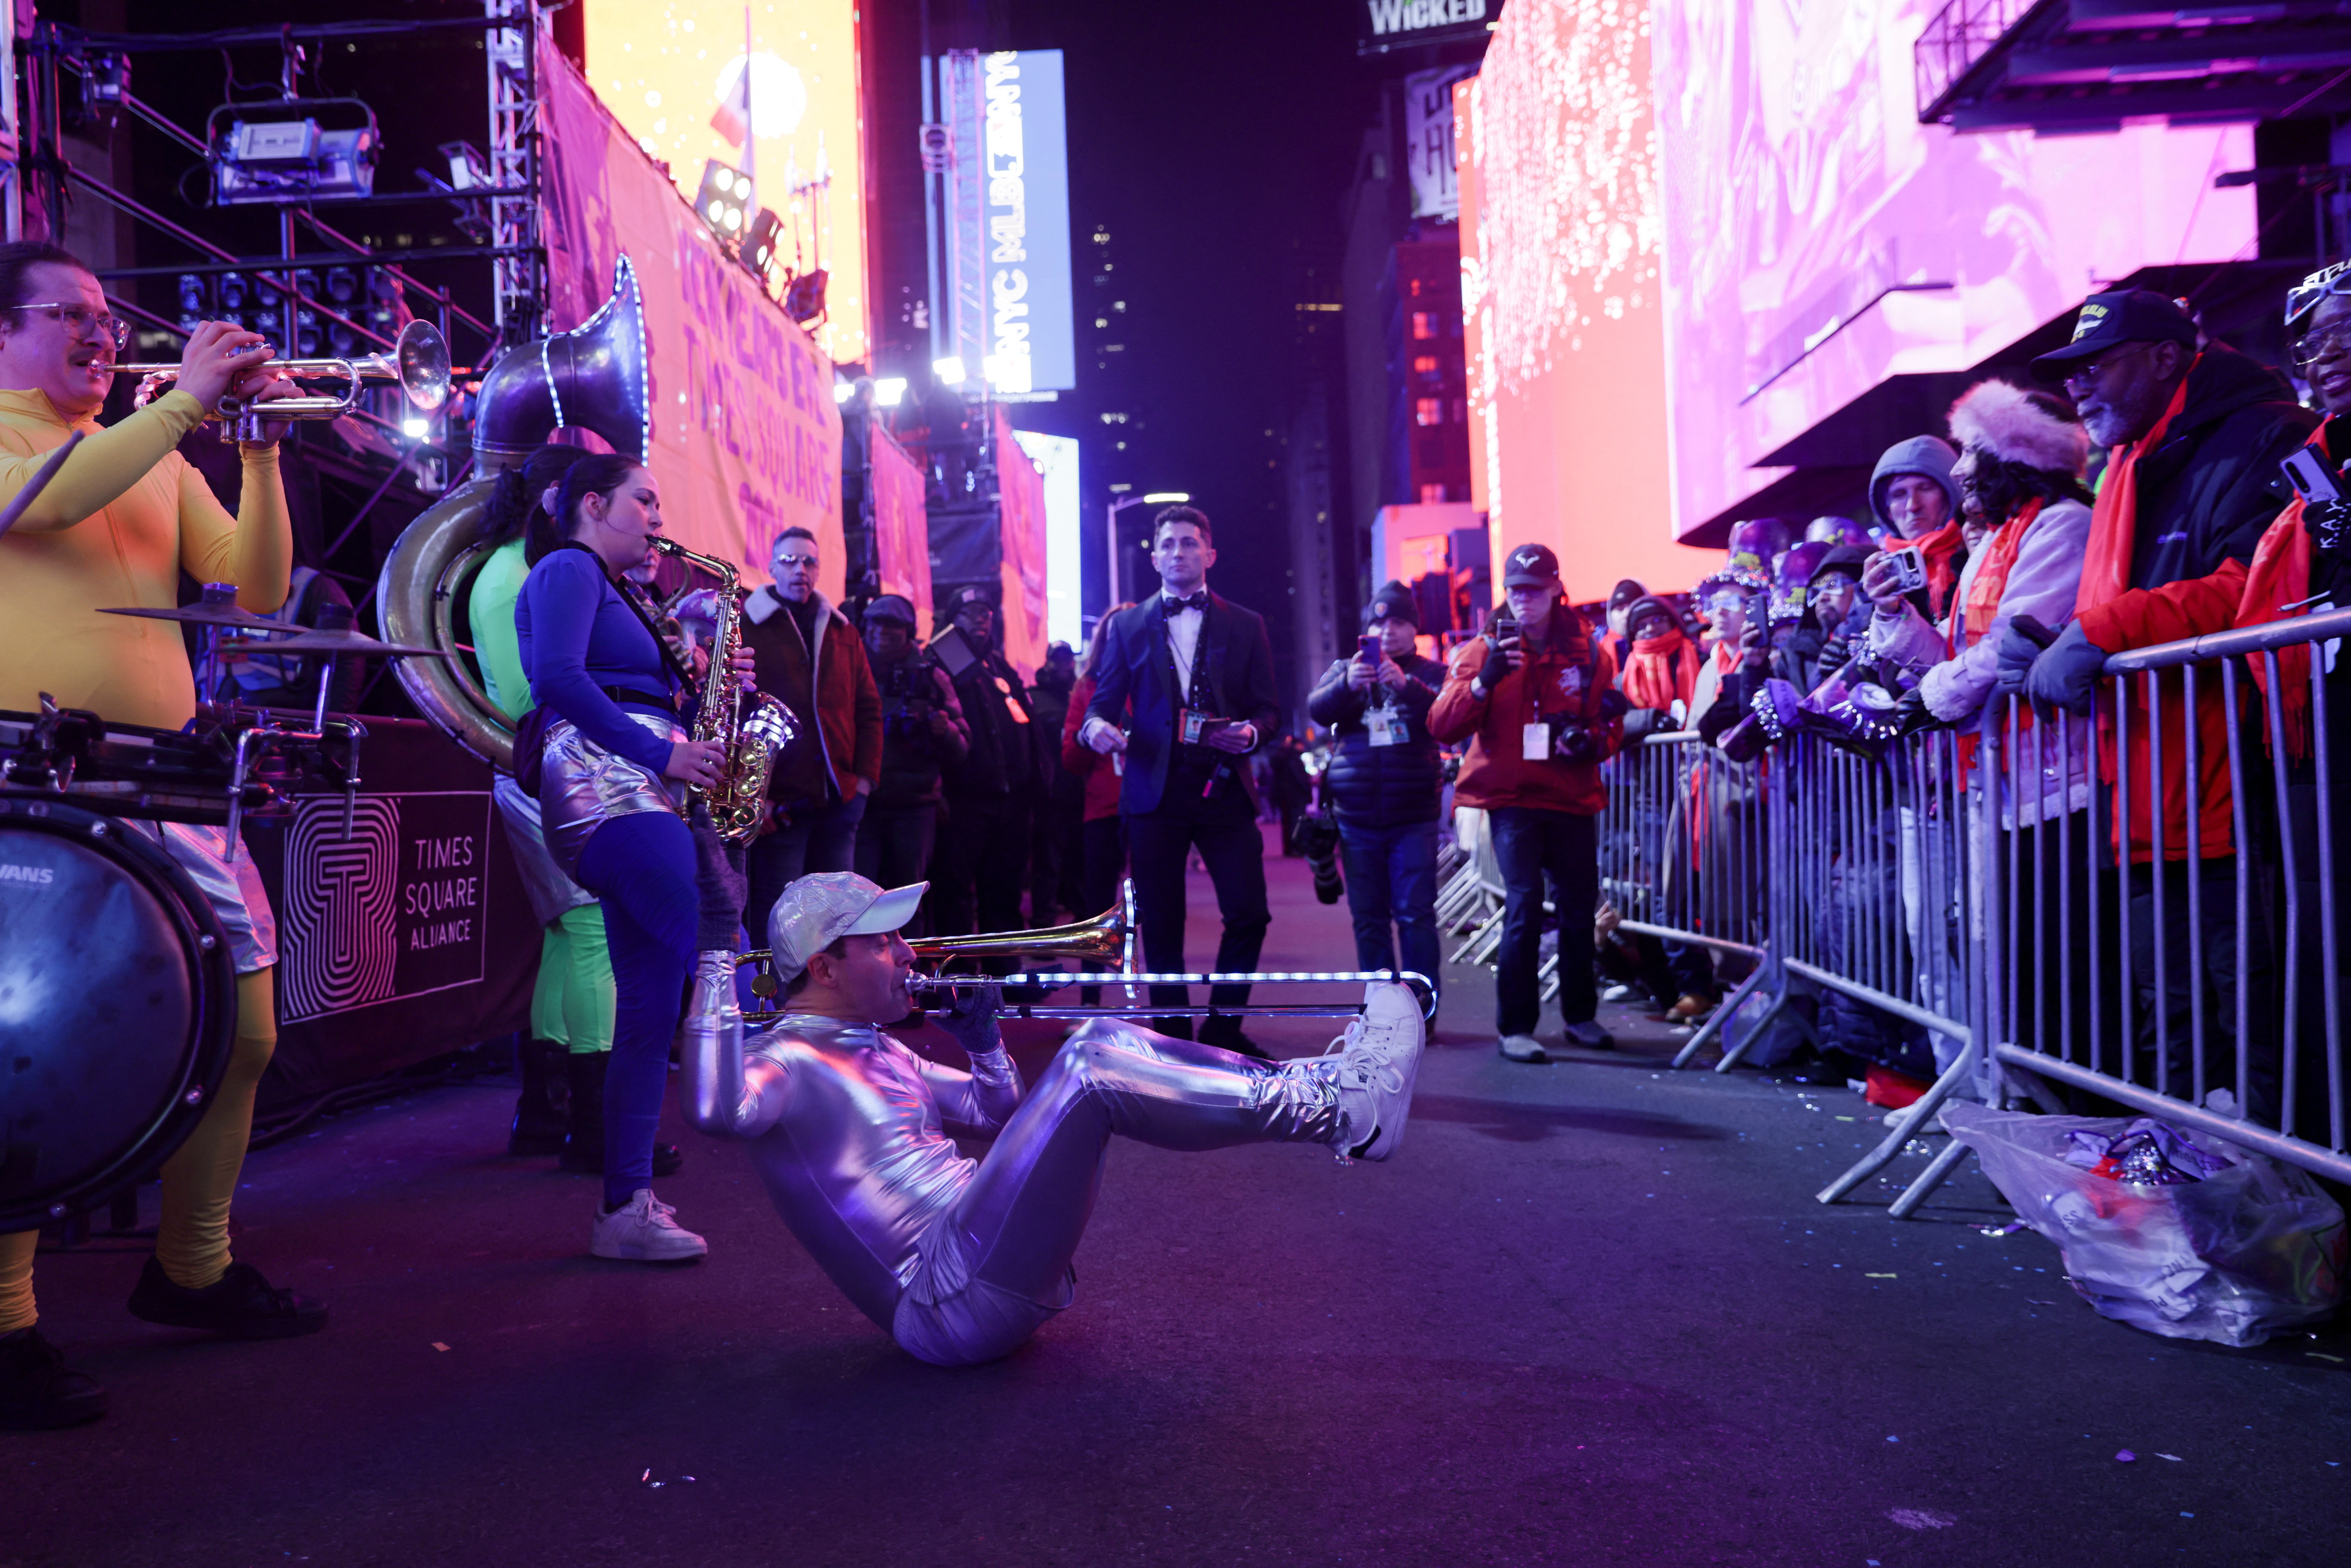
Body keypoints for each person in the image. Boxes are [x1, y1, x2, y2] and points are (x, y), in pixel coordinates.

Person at [0, 240, 318, 1429]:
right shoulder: (20, 439)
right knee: (22, 1045)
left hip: (169, 782)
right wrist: (185, 398)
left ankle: (193, 1267)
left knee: (242, 1025)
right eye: (67, 315)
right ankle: (5, 1318)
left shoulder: (156, 452)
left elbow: (255, 588)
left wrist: (258, 447)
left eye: (103, 313)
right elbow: (54, 499)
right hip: (33, 776)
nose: (97, 331)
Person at [679, 869, 1427, 1367]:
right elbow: (716, 1108)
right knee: (1092, 1059)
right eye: (884, 943)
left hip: (978, 1259)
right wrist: (717, 951)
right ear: (825, 968)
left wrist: (983, 1046)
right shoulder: (783, 1059)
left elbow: (992, 1111)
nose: (910, 954)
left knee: (1095, 1051)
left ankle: (1331, 1094)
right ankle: (1337, 1105)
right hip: (942, 1301)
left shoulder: (878, 1048)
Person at [2013, 289, 2316, 1116]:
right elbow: (2135, 608)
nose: (2077, 386)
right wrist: (2051, 640)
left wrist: (2100, 629)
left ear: (2161, 356)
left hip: (2234, 796)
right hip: (2148, 798)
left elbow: (2251, 588)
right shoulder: (2127, 461)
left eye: (2095, 364)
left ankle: (2277, 1225)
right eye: (2069, 373)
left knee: (2258, 1022)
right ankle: (2194, 1211)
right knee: (2172, 1024)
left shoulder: (2263, 432)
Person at [518, 453, 756, 1263]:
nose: (659, 515)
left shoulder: (633, 595)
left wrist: (708, 687)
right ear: (594, 503)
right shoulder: (567, 565)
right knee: (721, 952)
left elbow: (637, 693)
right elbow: (555, 677)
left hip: (642, 776)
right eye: (645, 499)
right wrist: (653, 751)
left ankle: (624, 1207)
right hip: (604, 779)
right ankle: (847, 1117)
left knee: (652, 1009)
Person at [464, 442, 643, 1169]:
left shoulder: (518, 569)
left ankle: (547, 1112)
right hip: (551, 774)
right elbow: (528, 698)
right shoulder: (520, 578)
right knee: (594, 930)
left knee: (571, 936)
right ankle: (598, 1130)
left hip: (542, 773)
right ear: (558, 503)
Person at [1078, 507, 1283, 1053]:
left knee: (1249, 912)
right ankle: (1174, 1039)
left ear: (1209, 554)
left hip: (1222, 787)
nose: (1178, 552)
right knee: (1161, 925)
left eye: (1189, 543)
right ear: (1154, 557)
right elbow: (1097, 709)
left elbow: (1269, 711)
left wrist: (1250, 733)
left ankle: (1221, 1028)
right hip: (1154, 791)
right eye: (1167, 544)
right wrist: (1096, 729)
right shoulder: (1125, 625)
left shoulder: (1246, 623)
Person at [1429, 542, 1626, 1061]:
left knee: (1579, 909)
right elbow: (1441, 726)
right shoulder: (1481, 650)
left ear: (1556, 589)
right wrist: (1483, 683)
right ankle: (1515, 1028)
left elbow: (1608, 724)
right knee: (1522, 905)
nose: (1523, 600)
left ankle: (1580, 1016)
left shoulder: (1589, 652)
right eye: (1515, 590)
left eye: (1533, 590)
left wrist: (1591, 740)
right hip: (1511, 797)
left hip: (1570, 794)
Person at [739, 526, 882, 946]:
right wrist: (753, 796)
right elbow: (733, 712)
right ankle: (780, 1007)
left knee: (842, 916)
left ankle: (834, 1006)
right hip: (778, 801)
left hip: (839, 799)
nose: (799, 569)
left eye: (809, 561)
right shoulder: (747, 623)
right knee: (780, 912)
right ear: (770, 568)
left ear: (819, 569)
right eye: (789, 560)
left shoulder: (842, 630)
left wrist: (864, 783)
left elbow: (869, 709)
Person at [1306, 580, 1448, 1005]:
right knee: (1368, 918)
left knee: (1415, 915)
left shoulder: (1430, 672)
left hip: (1414, 814)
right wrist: (1347, 683)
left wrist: (1407, 686)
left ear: (1414, 628)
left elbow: (1449, 712)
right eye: (1380, 621)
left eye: (1400, 621)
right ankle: (1383, 1010)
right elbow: (1316, 710)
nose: (1389, 630)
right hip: (1355, 815)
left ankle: (1423, 1009)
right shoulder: (1345, 668)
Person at [932, 585, 1043, 938]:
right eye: (969, 613)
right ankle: (960, 982)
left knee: (1004, 891)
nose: (980, 618)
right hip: (965, 799)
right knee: (957, 894)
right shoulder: (941, 659)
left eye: (985, 612)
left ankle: (1003, 974)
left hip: (1011, 801)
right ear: (952, 620)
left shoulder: (997, 664)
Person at [855, 592, 968, 917]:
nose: (882, 633)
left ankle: (906, 965)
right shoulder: (853, 668)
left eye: (893, 626)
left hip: (914, 806)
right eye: (876, 625)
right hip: (864, 802)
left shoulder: (932, 676)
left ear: (908, 631)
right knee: (861, 899)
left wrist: (942, 730)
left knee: (907, 902)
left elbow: (963, 746)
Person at [1869, 435, 1965, 622]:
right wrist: (1887, 612)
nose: (1912, 506)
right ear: (1887, 510)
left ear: (1951, 494)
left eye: (1925, 488)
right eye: (1899, 494)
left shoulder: (1982, 554)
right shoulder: (1877, 580)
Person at [1027, 639, 1082, 922]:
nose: (1062, 664)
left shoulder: (1079, 693)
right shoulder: (1034, 697)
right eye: (1057, 659)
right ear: (1048, 661)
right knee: (1048, 861)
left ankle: (1079, 922)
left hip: (1079, 788)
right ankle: (1043, 922)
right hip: (1048, 792)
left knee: (1077, 859)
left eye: (1067, 659)